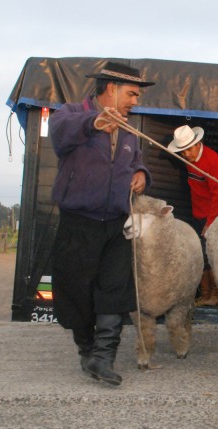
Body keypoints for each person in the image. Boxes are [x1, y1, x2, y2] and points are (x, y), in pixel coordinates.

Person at [48, 61, 154, 386]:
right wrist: (93, 123)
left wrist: (140, 174)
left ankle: (104, 357)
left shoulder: (130, 130)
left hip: (116, 223)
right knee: (77, 290)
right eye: (132, 94)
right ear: (111, 88)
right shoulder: (70, 113)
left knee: (114, 288)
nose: (135, 101)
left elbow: (134, 160)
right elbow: (59, 134)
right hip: (79, 222)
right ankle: (87, 349)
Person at [167, 124, 218, 307]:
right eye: (182, 151)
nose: (185, 155)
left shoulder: (213, 162)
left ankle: (215, 295)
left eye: (188, 150)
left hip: (211, 215)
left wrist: (210, 222)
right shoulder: (188, 160)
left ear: (197, 143)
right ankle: (206, 294)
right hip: (197, 212)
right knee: (200, 255)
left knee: (210, 255)